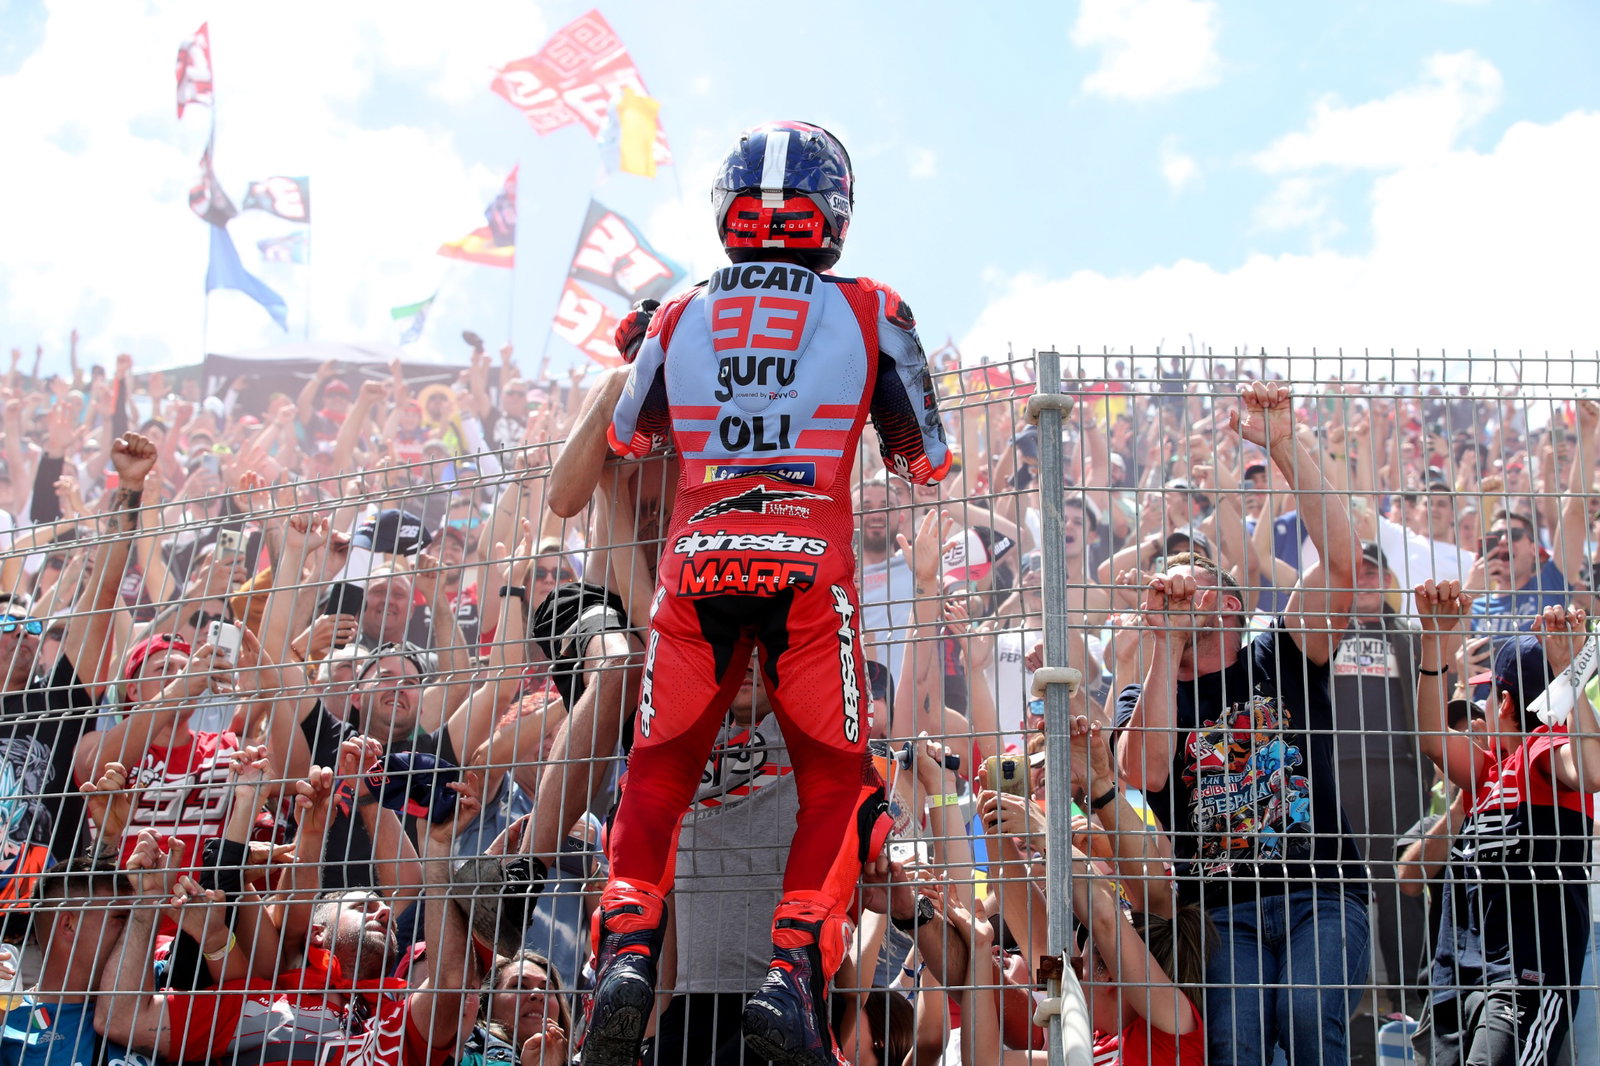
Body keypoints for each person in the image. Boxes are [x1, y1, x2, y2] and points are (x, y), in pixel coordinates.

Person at [580, 119, 950, 1066]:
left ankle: (624, 958)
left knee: (657, 773)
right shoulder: (873, 308)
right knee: (838, 782)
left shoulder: (676, 315)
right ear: (835, 212)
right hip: (807, 566)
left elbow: (628, 438)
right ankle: (792, 978)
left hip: (698, 562)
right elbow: (926, 460)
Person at [1115, 381, 1369, 1066]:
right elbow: (1143, 773)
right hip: (1223, 912)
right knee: (1236, 1043)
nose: (1171, 587)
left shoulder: (1281, 651)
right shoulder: (1149, 692)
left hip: (1321, 892)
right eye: (1162, 584)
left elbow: (1343, 565)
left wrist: (1285, 447)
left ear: (1230, 605)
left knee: (1309, 1015)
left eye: (1186, 580)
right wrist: (1163, 639)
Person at [1412, 584, 1600, 1065]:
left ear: (1507, 703)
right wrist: (1434, 638)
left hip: (1523, 980)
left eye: (1489, 695)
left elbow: (1592, 772)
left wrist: (1571, 676)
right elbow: (1432, 738)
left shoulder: (1542, 753)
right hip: (1459, 984)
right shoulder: (1489, 770)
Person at [1329, 540, 1429, 1018]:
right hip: (1334, 774)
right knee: (1333, 885)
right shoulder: (1324, 628)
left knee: (1399, 885)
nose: (1366, 580)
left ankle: (1412, 1000)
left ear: (1388, 580)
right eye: (1358, 572)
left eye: (1373, 572)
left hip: (1399, 772)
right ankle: (1334, 1003)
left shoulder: (1408, 636)